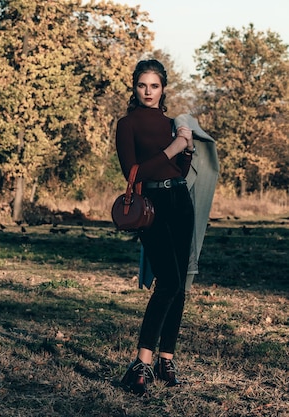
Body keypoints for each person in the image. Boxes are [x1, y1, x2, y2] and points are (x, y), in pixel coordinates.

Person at [115, 59, 195, 396]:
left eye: (155, 85)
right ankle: (141, 364)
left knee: (180, 284)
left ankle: (165, 360)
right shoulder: (127, 124)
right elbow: (135, 172)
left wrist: (186, 148)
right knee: (168, 282)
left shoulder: (172, 123)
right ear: (134, 87)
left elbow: (180, 168)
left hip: (180, 202)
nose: (148, 91)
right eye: (142, 85)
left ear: (163, 89)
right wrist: (174, 147)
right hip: (151, 207)